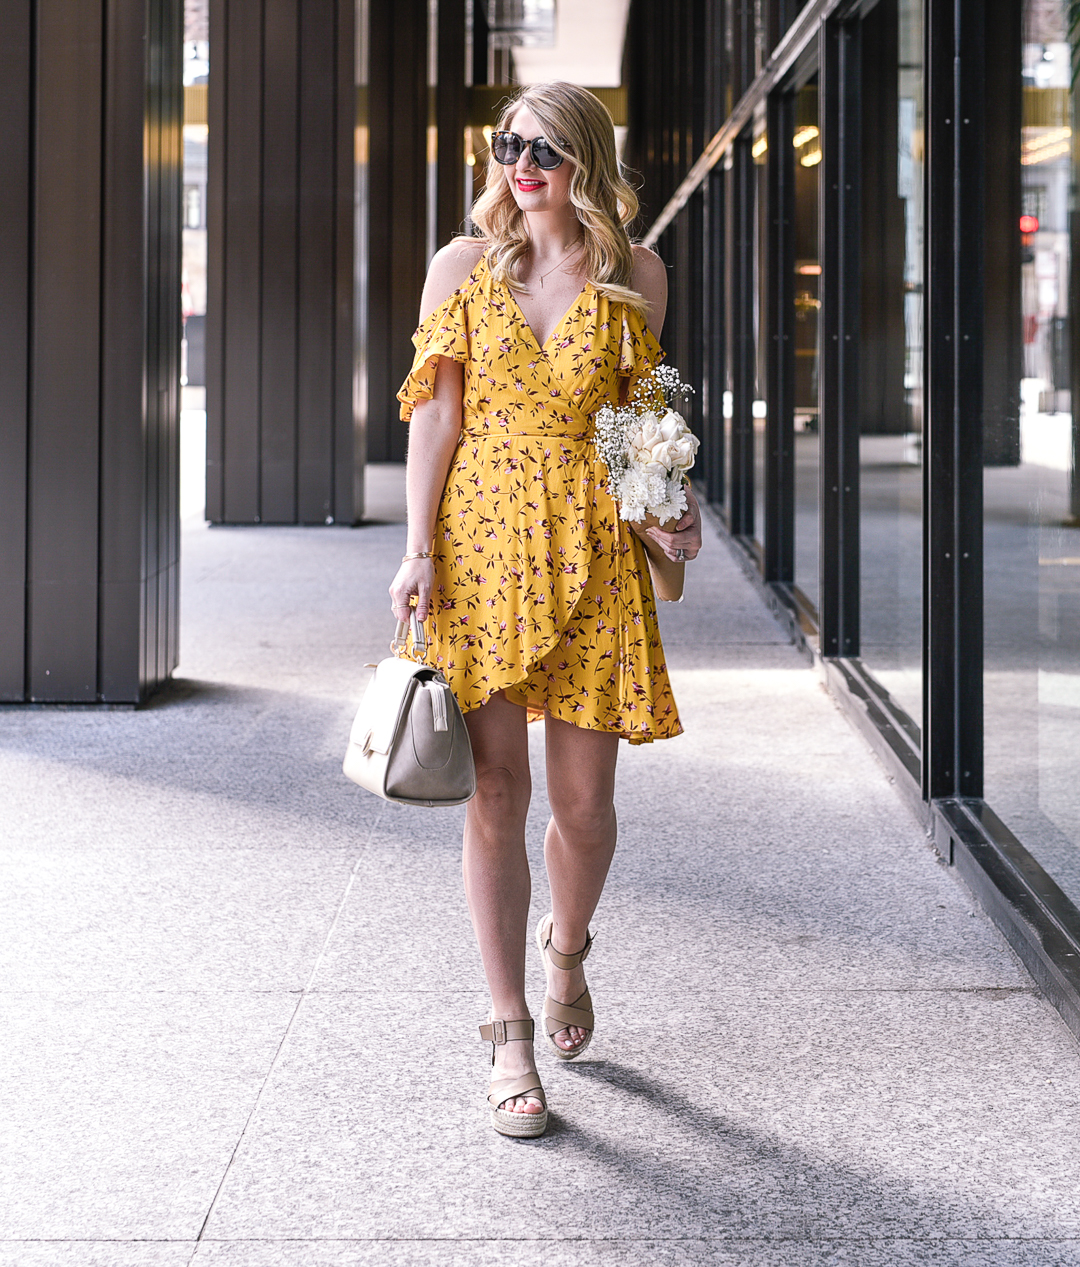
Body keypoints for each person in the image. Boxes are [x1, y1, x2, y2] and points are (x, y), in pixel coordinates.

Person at [391, 81, 702, 1138]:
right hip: (480, 551)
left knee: (583, 806)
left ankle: (565, 952)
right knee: (494, 791)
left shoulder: (636, 275)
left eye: (547, 149)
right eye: (510, 144)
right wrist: (416, 549)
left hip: (592, 553)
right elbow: (435, 424)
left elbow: (636, 421)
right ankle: (508, 1029)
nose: (523, 164)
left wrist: (666, 506)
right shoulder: (463, 268)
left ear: (587, 161)